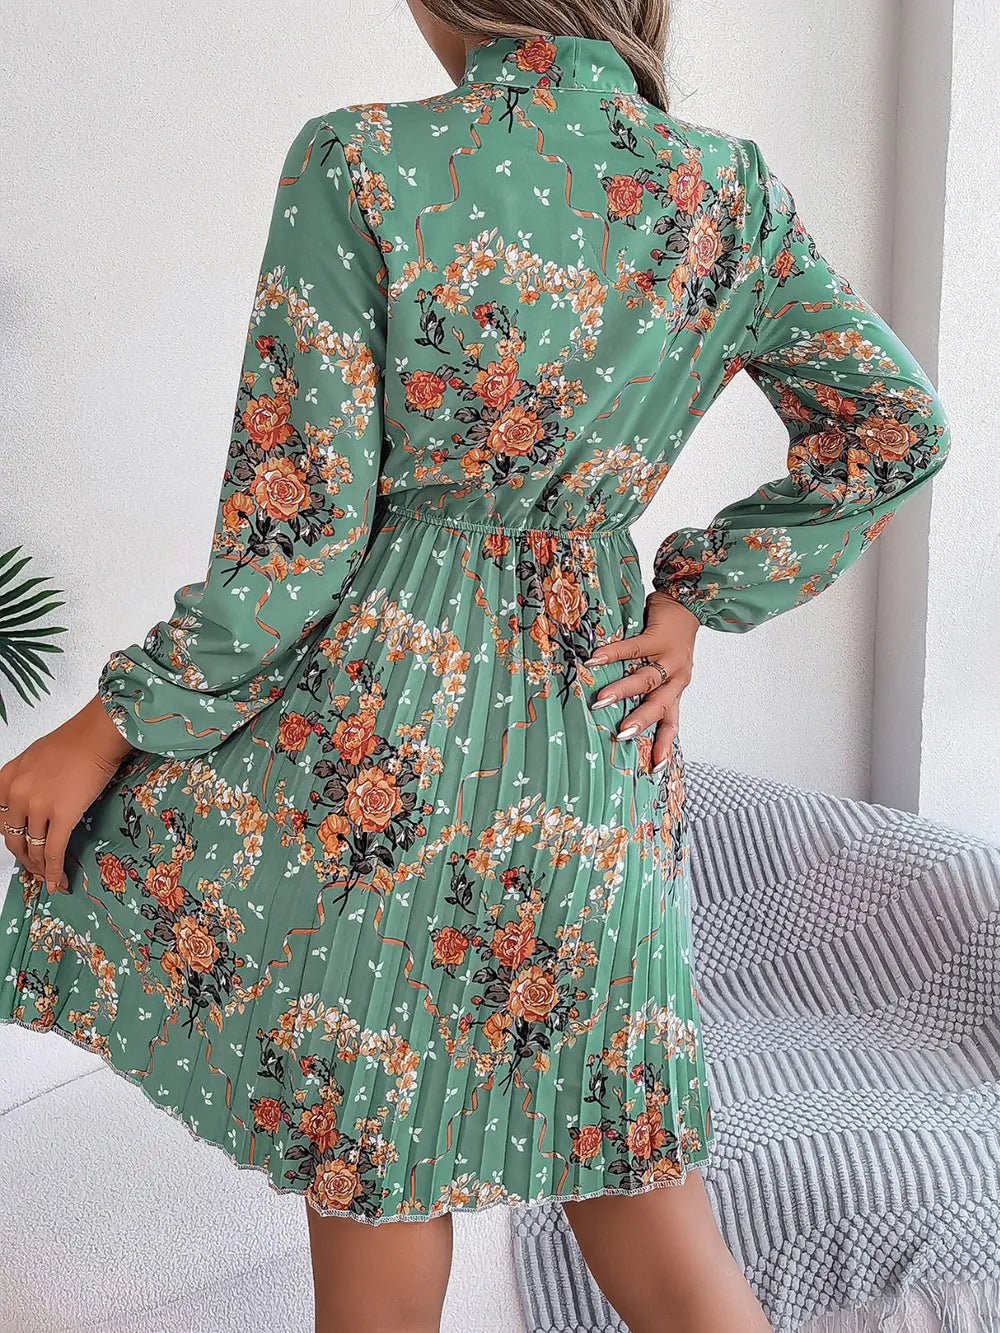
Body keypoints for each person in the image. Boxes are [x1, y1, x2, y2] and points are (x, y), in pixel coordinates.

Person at [0, 3, 951, 1331]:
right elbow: (895, 425)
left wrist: (108, 725)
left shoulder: (359, 160)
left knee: (379, 1166)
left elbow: (293, 539)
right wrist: (694, 597)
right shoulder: (726, 191)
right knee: (632, 1168)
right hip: (595, 728)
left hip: (386, 735)